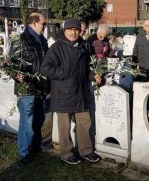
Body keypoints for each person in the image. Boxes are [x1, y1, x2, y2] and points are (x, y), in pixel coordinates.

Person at [40, 18, 101, 165]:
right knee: (64, 125)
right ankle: (66, 153)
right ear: (65, 30)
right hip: (63, 93)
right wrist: (64, 73)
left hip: (80, 92)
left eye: (76, 30)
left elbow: (85, 69)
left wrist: (94, 75)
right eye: (70, 29)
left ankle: (86, 151)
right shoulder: (57, 47)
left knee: (84, 122)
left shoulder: (83, 46)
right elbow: (45, 68)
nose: (74, 32)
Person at [9, 12, 49, 164]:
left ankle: (36, 146)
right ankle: (24, 153)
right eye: (43, 24)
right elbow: (13, 63)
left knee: (39, 119)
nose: (45, 27)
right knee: (27, 122)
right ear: (33, 23)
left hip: (41, 87)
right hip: (27, 88)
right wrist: (16, 75)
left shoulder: (42, 40)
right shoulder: (20, 39)